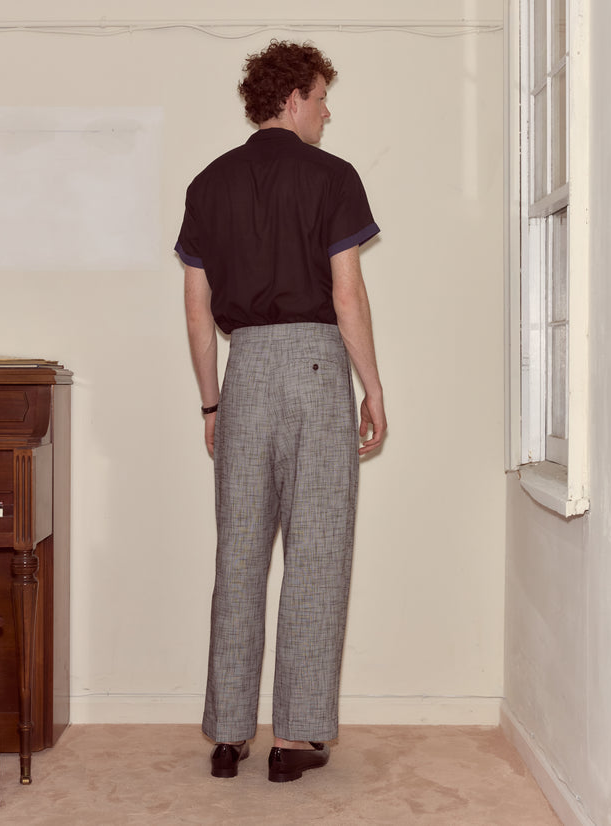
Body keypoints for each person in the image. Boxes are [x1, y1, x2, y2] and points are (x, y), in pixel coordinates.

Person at [175, 39, 387, 783]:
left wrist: (212, 401)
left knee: (238, 555)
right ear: (293, 99)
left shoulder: (208, 184)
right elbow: (347, 294)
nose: (328, 113)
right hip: (318, 368)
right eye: (322, 98)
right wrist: (372, 387)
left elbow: (197, 311)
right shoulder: (333, 177)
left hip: (246, 373)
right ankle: (294, 740)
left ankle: (228, 735)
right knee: (317, 554)